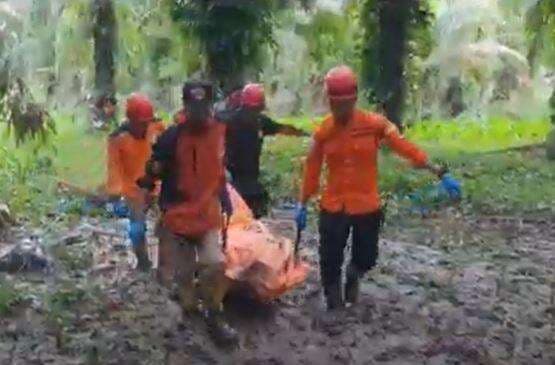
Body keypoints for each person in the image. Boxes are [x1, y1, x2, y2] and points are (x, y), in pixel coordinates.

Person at [295, 65, 461, 310]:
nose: (340, 110)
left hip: (366, 204)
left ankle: (354, 274)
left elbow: (404, 147)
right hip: (334, 204)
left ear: (354, 99)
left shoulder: (374, 124)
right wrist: (302, 202)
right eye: (335, 104)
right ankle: (334, 302)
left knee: (367, 258)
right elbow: (312, 168)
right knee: (329, 259)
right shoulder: (323, 132)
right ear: (329, 101)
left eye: (345, 104)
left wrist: (437, 170)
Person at [139, 81, 238, 346]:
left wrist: (225, 196)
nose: (199, 113)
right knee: (182, 279)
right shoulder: (171, 138)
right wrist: (151, 176)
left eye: (203, 107)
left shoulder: (219, 132)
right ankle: (190, 317)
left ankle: (214, 314)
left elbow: (217, 169)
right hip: (178, 218)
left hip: (206, 216)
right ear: (185, 107)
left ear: (209, 106)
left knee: (215, 264)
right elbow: (153, 169)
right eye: (193, 108)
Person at [222, 83, 306, 218]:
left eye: (257, 110)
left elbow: (280, 128)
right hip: (234, 177)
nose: (254, 113)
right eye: (252, 110)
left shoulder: (260, 122)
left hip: (252, 177)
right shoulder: (230, 121)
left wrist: (304, 133)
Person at [105, 93, 165, 271]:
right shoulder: (118, 139)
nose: (145, 126)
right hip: (134, 189)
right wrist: (115, 194)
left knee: (169, 225)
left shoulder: (158, 128)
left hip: (158, 185)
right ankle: (143, 262)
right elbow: (114, 169)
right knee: (137, 229)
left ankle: (165, 266)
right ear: (130, 120)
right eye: (141, 123)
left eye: (147, 122)